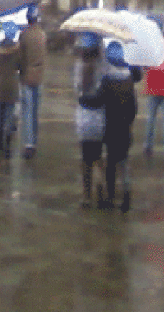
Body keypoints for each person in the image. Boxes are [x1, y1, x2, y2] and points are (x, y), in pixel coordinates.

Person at [94, 41, 143, 212]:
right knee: (124, 163)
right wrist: (129, 122)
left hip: (110, 128)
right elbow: (133, 108)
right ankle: (127, 195)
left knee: (111, 164)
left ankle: (110, 197)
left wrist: (84, 99)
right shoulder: (129, 81)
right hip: (125, 129)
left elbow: (98, 100)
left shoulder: (107, 81)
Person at [74, 32, 105, 208]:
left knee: (85, 158)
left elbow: (77, 88)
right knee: (98, 156)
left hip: (84, 119)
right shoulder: (102, 66)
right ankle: (100, 187)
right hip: (100, 117)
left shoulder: (80, 66)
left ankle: (86, 195)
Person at [17, 4, 46, 159]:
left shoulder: (25, 35)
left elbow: (20, 58)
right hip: (39, 76)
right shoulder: (42, 34)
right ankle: (34, 141)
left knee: (27, 112)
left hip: (27, 76)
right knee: (35, 112)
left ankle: (28, 144)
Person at [143, 31, 164, 161]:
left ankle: (148, 146)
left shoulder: (150, 46)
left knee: (151, 118)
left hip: (153, 87)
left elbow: (144, 66)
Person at [0, 20, 21, 158]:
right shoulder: (17, 49)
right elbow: (20, 66)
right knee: (9, 115)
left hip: (1, 84)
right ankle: (7, 146)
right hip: (12, 85)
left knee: (0, 115)